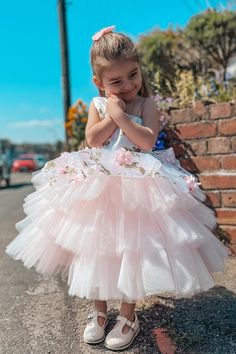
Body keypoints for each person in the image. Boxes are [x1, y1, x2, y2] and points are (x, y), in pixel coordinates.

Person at [6, 26, 229, 351]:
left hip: (138, 184)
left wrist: (123, 117)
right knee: (96, 246)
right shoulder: (98, 104)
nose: (127, 85)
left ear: (139, 69)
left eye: (132, 75)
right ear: (99, 83)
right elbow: (92, 140)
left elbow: (147, 142)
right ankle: (98, 311)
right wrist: (110, 116)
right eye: (116, 81)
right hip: (99, 184)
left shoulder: (146, 104)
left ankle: (128, 314)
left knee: (132, 250)